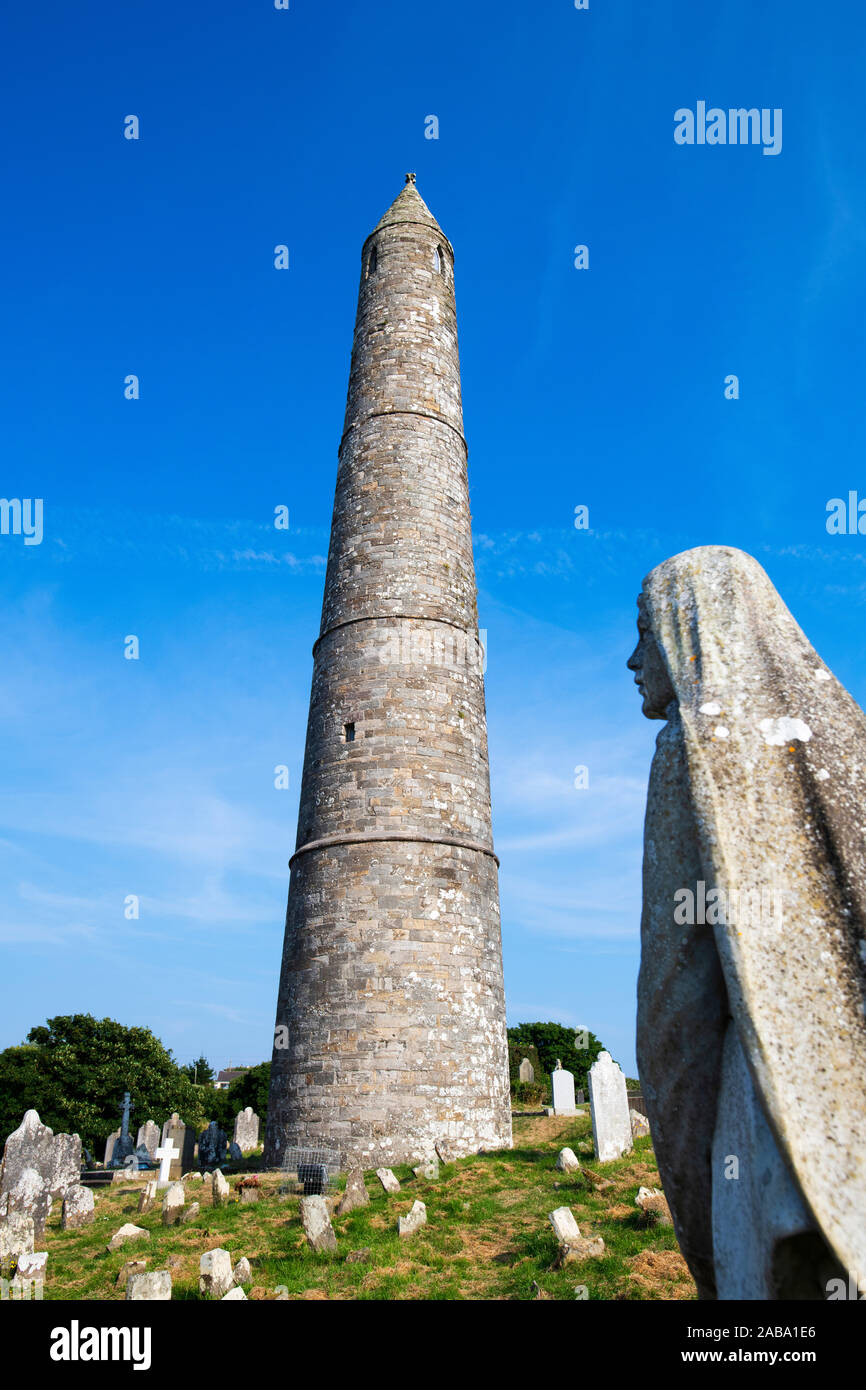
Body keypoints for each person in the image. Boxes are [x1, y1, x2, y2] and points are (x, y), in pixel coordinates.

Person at [628, 545, 866, 1299]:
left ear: (687, 629)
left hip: (770, 1136)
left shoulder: (689, 750)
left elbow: (677, 1015)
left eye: (644, 630)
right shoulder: (837, 739)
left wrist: (695, 1214)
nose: (634, 659)